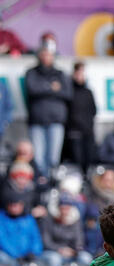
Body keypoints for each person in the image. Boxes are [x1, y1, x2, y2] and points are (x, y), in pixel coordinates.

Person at [24, 47, 71, 179]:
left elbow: (67, 94)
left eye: (49, 55)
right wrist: (51, 88)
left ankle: (52, 185)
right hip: (36, 120)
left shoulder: (60, 74)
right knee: (38, 157)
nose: (46, 57)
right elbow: (32, 89)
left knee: (53, 157)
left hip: (56, 120)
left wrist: (44, 88)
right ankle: (41, 183)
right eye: (43, 54)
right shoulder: (32, 72)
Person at [64, 62, 98, 172]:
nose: (80, 76)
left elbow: (93, 110)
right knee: (77, 159)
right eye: (78, 73)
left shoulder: (88, 92)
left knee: (89, 158)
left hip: (87, 131)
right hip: (74, 131)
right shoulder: (69, 92)